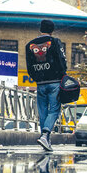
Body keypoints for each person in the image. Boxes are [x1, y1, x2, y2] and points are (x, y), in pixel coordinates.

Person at [25, 19, 67, 151]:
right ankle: (45, 135)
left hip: (40, 83)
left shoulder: (29, 45)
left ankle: (45, 140)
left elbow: (29, 66)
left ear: (40, 29)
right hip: (54, 81)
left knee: (42, 111)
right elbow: (62, 59)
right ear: (52, 30)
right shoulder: (55, 42)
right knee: (54, 109)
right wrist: (62, 74)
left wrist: (36, 77)